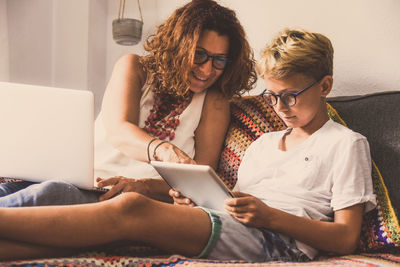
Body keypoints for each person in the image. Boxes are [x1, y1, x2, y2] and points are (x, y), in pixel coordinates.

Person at [0, 28, 376, 263]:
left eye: (291, 96)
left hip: (280, 242)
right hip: (234, 224)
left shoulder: (346, 144)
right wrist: (194, 201)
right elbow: (233, 200)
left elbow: (345, 238)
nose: (279, 108)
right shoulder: (262, 142)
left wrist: (268, 217)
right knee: (116, 230)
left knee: (132, 207)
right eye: (272, 96)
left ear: (324, 87)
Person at [0, 0, 256, 206]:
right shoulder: (134, 67)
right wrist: (165, 150)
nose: (207, 69)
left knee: (48, 194)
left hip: (120, 197)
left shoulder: (214, 101)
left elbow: (200, 182)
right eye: (199, 55)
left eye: (219, 60)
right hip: (82, 179)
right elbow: (119, 130)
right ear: (180, 47)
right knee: (12, 189)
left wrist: (143, 187)